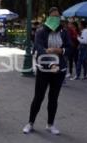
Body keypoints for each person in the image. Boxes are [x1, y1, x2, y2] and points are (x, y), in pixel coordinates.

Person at [22, 7, 71, 135]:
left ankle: (50, 124)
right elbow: (39, 47)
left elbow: (70, 48)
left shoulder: (64, 32)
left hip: (59, 71)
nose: (55, 19)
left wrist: (59, 51)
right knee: (38, 97)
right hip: (44, 70)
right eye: (52, 16)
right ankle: (30, 123)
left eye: (57, 17)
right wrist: (51, 63)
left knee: (53, 98)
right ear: (48, 18)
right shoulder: (41, 31)